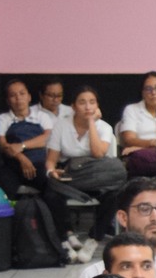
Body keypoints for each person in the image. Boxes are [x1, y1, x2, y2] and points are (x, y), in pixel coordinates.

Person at [44, 86, 124, 243]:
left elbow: (98, 154)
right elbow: (51, 159)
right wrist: (51, 171)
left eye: (92, 102)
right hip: (71, 176)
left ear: (97, 106)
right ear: (73, 106)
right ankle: (67, 234)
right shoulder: (61, 125)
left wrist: (91, 123)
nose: (88, 107)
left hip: (97, 175)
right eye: (82, 102)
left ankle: (94, 238)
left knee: (114, 195)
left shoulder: (104, 127)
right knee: (50, 193)